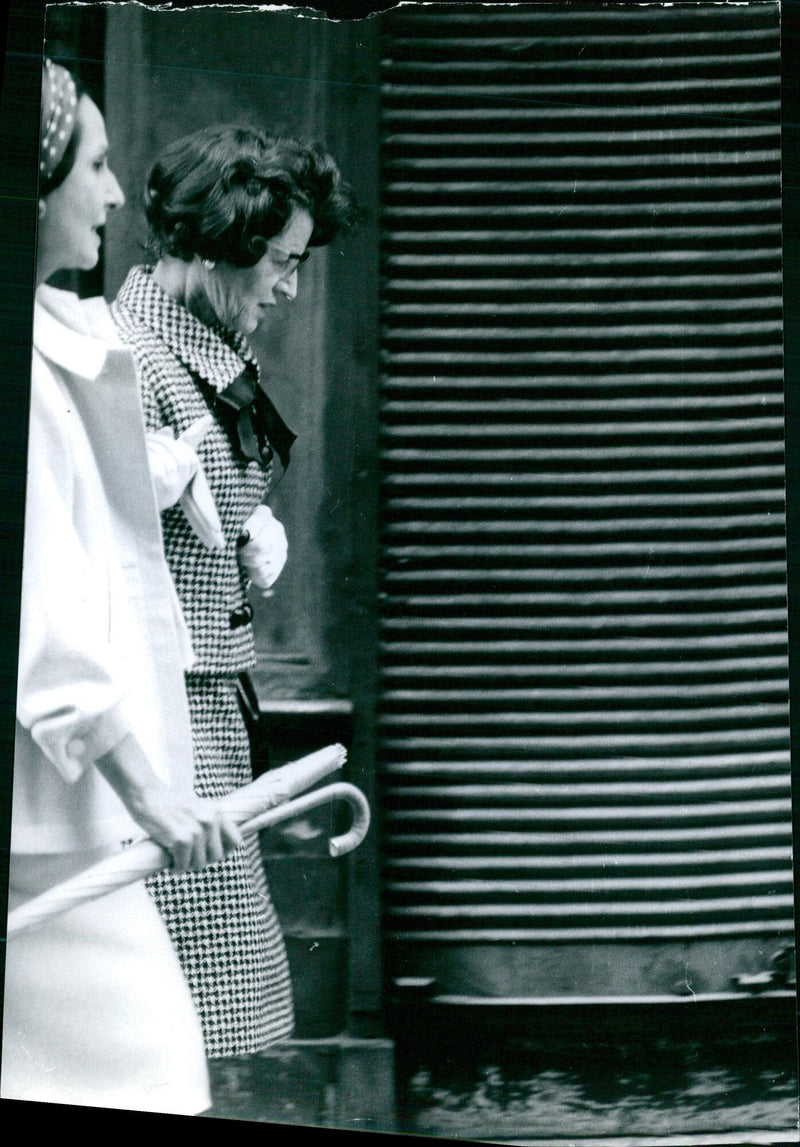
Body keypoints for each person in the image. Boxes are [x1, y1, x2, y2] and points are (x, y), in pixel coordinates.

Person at [1, 60, 242, 1115]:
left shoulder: (62, 338)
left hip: (57, 810)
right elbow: (42, 620)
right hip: (49, 818)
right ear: (35, 182)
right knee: (153, 1074)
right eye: (92, 167)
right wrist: (154, 795)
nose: (110, 195)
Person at [111, 124, 357, 1059]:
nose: (290, 290)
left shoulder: (191, 350)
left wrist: (241, 517)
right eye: (282, 265)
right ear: (221, 246)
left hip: (208, 710)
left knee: (207, 1008)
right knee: (186, 1015)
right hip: (164, 722)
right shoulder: (133, 357)